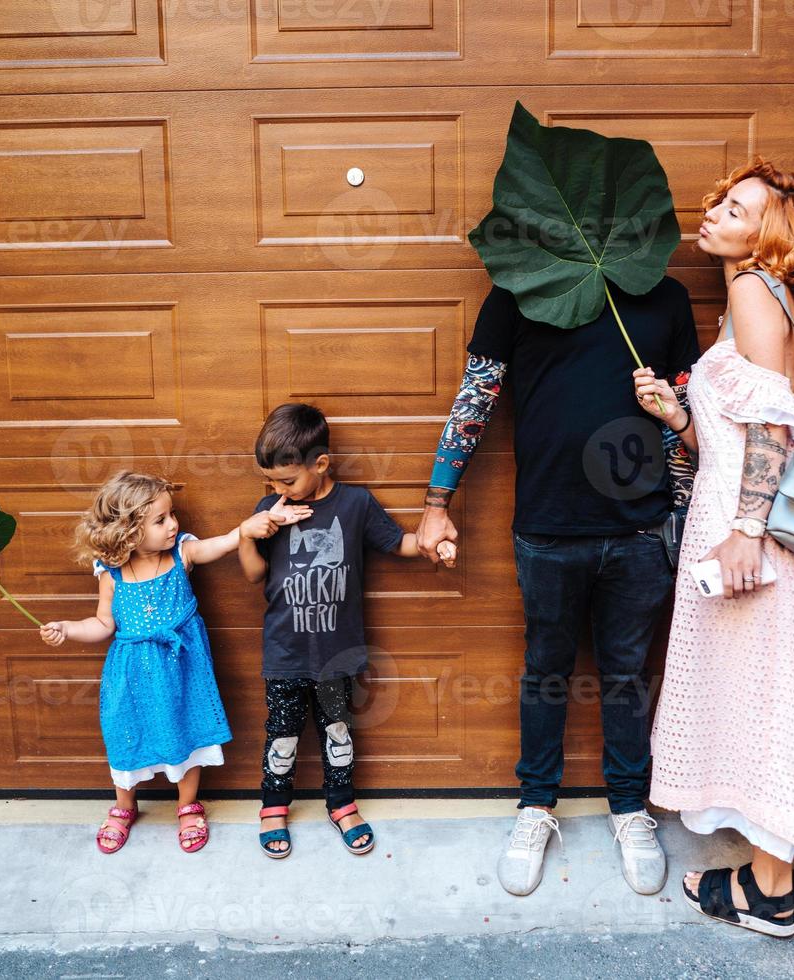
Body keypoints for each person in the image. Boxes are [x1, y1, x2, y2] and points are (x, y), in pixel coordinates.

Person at [633, 157, 794, 939]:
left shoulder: (749, 288)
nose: (713, 215)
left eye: (735, 210)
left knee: (766, 701)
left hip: (753, 538)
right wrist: (678, 416)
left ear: (766, 235)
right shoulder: (765, 300)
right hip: (767, 528)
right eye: (720, 203)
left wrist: (744, 533)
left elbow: (776, 427)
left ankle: (769, 892)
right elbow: (734, 437)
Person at [415, 272, 701, 896]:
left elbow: (689, 415)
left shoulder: (667, 296)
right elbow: (476, 399)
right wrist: (438, 501)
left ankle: (629, 809)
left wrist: (682, 518)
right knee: (545, 668)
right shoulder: (520, 290)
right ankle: (535, 805)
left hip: (641, 530)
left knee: (627, 671)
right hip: (548, 529)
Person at [40, 470, 303, 855]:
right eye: (160, 520)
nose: (173, 524)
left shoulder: (182, 552)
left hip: (182, 667)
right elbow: (102, 624)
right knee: (125, 731)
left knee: (187, 727)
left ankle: (187, 805)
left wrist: (250, 528)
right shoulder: (111, 574)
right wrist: (67, 628)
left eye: (172, 514)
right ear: (128, 531)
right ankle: (124, 805)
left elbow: (226, 542)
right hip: (131, 671)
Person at [239, 403, 455, 859]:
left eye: (287, 481)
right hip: (286, 649)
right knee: (282, 733)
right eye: (271, 483)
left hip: (337, 652)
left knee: (337, 730)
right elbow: (255, 574)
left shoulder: (355, 504)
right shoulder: (270, 509)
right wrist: (248, 533)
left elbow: (400, 543)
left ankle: (342, 804)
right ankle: (274, 807)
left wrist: (435, 543)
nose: (279, 490)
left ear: (320, 464)